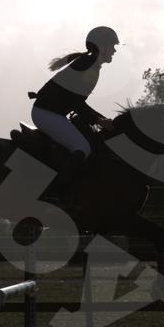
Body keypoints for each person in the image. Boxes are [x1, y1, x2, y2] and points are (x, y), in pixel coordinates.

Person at [28, 26, 118, 202]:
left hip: (51, 112)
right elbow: (76, 102)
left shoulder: (90, 64)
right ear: (102, 46)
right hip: (46, 113)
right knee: (82, 148)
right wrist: (99, 120)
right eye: (112, 46)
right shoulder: (89, 66)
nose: (114, 50)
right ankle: (53, 194)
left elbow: (77, 101)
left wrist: (100, 119)